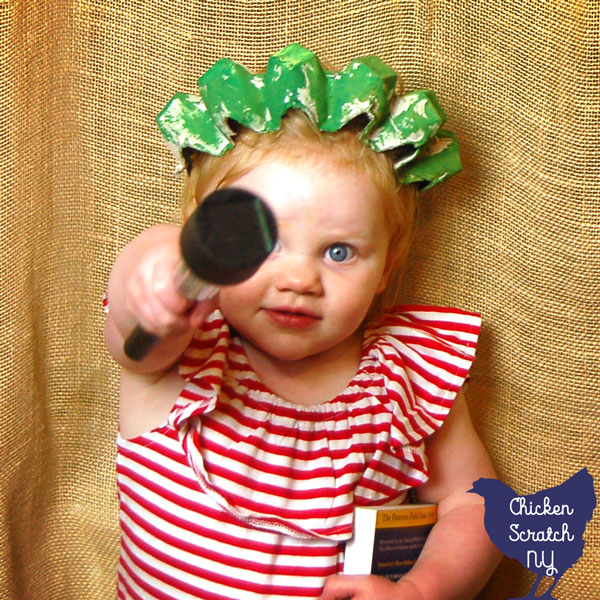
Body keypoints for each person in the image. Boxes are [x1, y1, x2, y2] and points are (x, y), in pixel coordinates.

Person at [105, 44, 501, 600]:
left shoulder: (407, 376)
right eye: (262, 244)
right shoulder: (183, 354)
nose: (299, 280)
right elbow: (133, 324)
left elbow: (476, 501)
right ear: (206, 243)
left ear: (387, 266)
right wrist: (155, 271)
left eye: (338, 253)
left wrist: (421, 589)